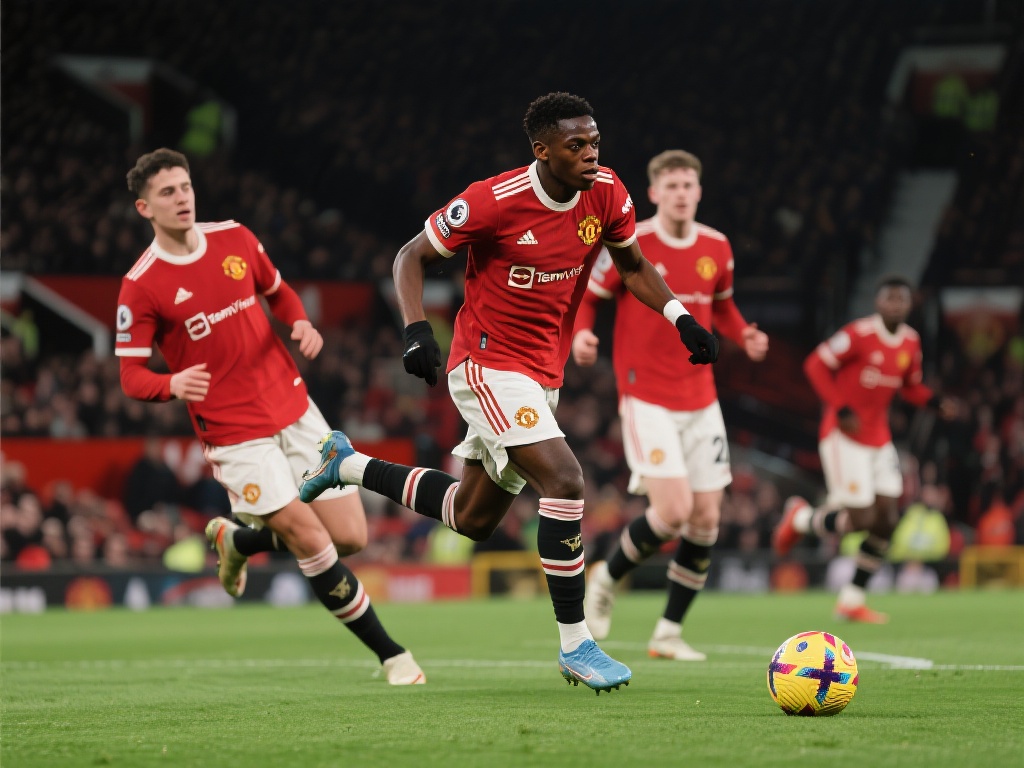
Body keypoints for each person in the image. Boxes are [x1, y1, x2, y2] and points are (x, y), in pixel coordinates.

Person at [299, 92, 719, 693]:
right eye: (576, 145)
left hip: (544, 374)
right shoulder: (492, 201)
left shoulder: (607, 193)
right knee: (565, 480)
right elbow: (410, 256)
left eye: (595, 142)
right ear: (542, 150)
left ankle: (347, 465)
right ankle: (577, 643)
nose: (591, 154)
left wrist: (680, 317)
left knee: (471, 518)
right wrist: (417, 330)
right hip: (486, 364)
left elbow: (631, 266)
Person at [115, 148, 424, 684]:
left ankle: (239, 540)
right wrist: (170, 385)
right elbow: (130, 375)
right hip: (234, 435)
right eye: (167, 192)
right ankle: (394, 656)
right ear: (145, 208)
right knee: (312, 541)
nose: (182, 198)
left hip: (295, 407)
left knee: (351, 537)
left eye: (185, 186)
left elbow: (279, 294)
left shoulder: (234, 237)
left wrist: (300, 322)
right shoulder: (141, 284)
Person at [572, 149, 769, 660]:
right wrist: (583, 334)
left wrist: (743, 333)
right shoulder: (632, 242)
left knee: (706, 520)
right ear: (654, 192)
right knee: (674, 511)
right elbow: (589, 295)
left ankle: (668, 633)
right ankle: (606, 577)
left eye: (688, 185)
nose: (681, 194)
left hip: (701, 399)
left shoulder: (717, 246)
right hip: (646, 397)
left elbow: (721, 306)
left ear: (699, 191)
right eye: (672, 186)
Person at [773, 275, 957, 623]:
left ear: (910, 304)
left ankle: (852, 600)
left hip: (879, 438)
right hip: (843, 437)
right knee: (860, 521)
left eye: (902, 300)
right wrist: (840, 406)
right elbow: (815, 364)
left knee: (887, 521)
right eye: (890, 299)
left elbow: (911, 386)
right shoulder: (858, 334)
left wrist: (935, 403)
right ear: (878, 302)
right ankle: (799, 518)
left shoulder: (910, 341)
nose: (896, 305)